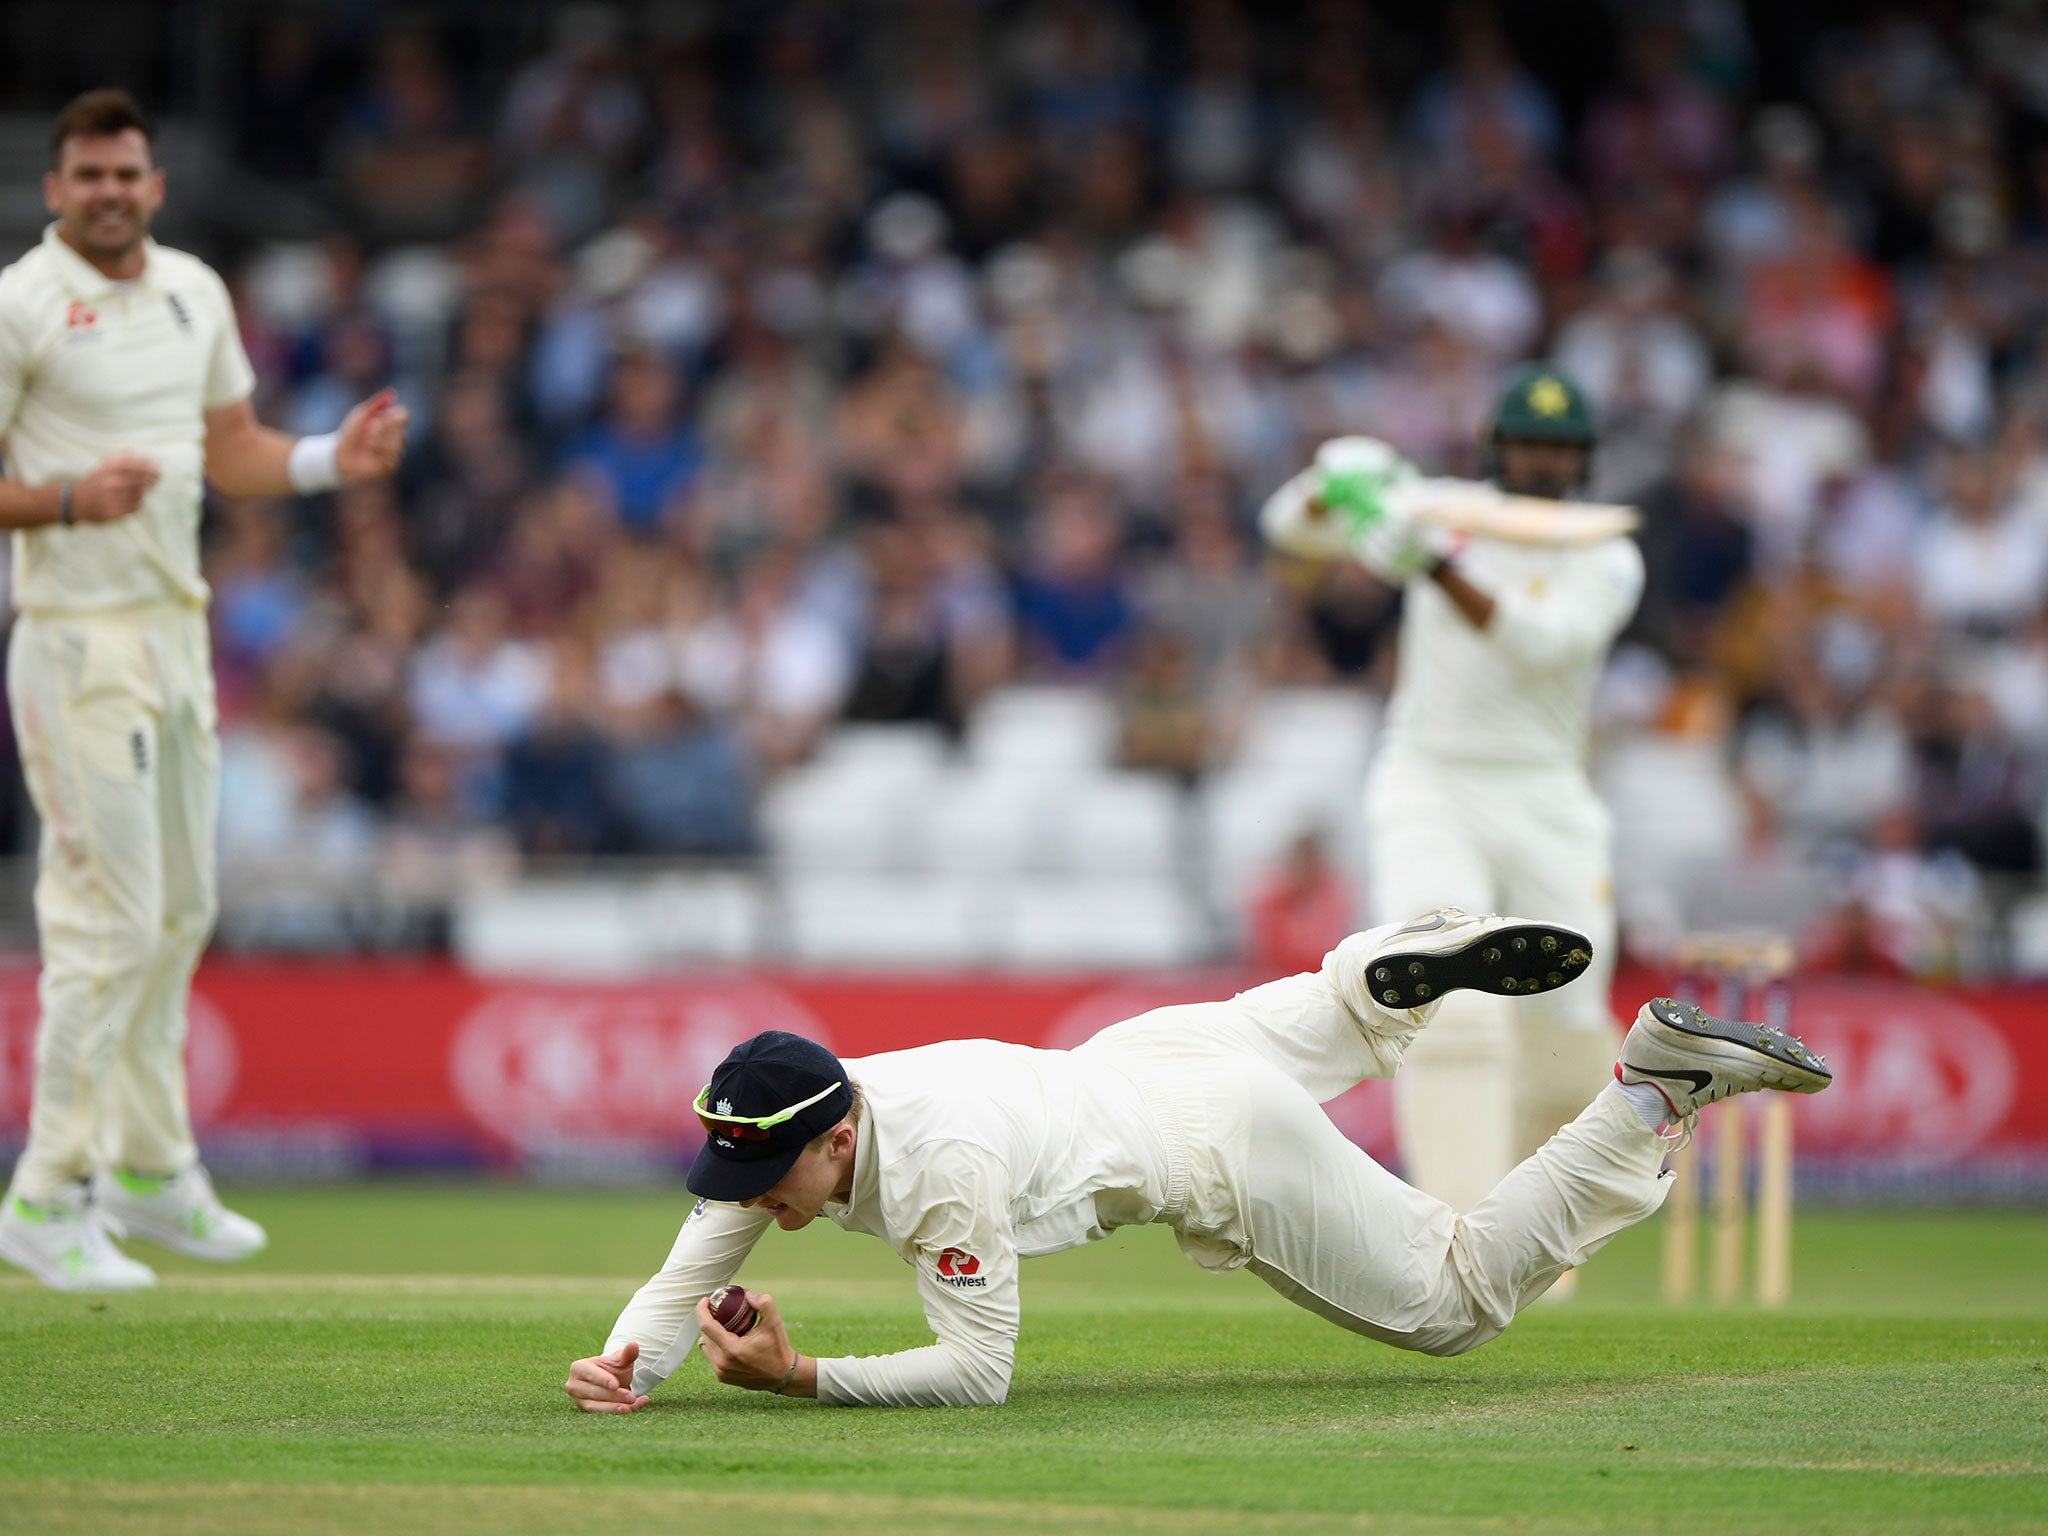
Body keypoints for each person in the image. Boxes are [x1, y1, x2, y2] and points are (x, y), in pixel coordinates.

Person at [563, 909, 1829, 1409]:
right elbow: (690, 1267)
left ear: (834, 1140)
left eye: (761, 1178)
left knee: (1453, 1305)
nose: (745, 1204)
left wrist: (803, 1378)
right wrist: (632, 1365)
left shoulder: (934, 1162)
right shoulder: (830, 1107)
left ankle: (1649, 1086)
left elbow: (978, 1371)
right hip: (1157, 1054)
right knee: (1330, 1030)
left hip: (1207, 1137)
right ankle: (1370, 981)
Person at [0, 90, 409, 1292]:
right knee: (105, 920)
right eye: (89, 176)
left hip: (175, 633)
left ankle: (147, 1169)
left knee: (180, 912)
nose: (110, 193)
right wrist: (73, 499)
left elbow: (228, 449)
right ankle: (45, 1192)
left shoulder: (192, 291)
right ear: (55, 190)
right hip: (77, 640)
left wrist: (337, 457)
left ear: (157, 185)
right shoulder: (21, 305)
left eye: (127, 174)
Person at [1259, 368, 1644, 1260]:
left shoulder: (1607, 554)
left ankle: (1549, 1243)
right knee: (1446, 991)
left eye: (1558, 446)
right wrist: (1338, 484)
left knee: (1569, 1020)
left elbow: (1541, 645)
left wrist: (1431, 561)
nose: (1540, 459)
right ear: (1496, 447)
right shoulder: (1443, 506)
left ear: (1580, 459)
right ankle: (1462, 1237)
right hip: (1429, 781)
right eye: (1526, 442)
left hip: (1547, 793)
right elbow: (1288, 527)